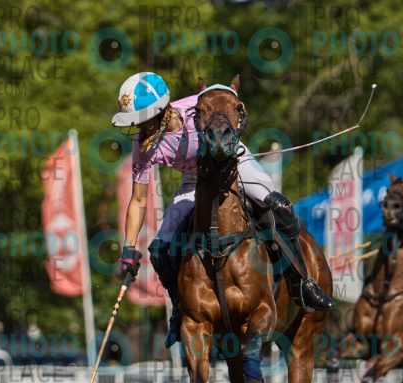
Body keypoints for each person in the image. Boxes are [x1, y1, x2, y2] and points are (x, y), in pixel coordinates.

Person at [112, 72, 334, 348]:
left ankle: (303, 283)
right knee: (160, 250)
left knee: (280, 208)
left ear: (161, 110)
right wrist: (129, 247)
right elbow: (138, 200)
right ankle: (180, 309)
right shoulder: (143, 145)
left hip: (235, 164)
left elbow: (233, 108)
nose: (137, 126)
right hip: (193, 181)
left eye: (141, 118)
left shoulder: (196, 106)